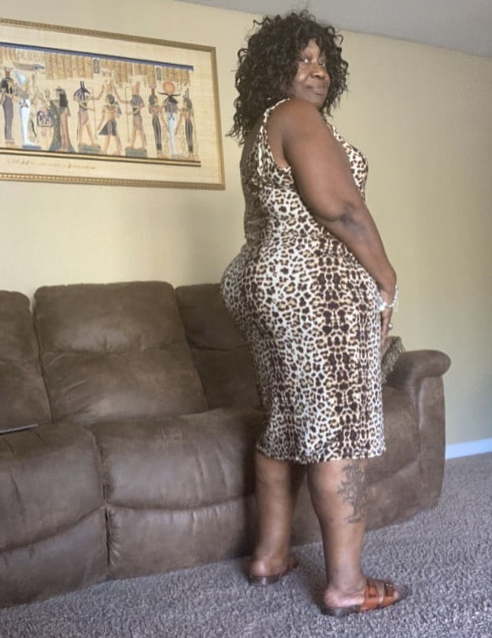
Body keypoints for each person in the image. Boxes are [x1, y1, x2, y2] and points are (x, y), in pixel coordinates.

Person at [220, 10, 408, 617]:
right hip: (315, 288)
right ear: (275, 70)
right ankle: (347, 586)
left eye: (323, 61)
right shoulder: (297, 116)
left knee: (283, 423)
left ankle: (270, 554)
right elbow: (339, 207)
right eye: (302, 60)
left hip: (263, 281)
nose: (317, 71)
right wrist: (385, 278)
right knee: (341, 430)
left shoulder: (263, 128)